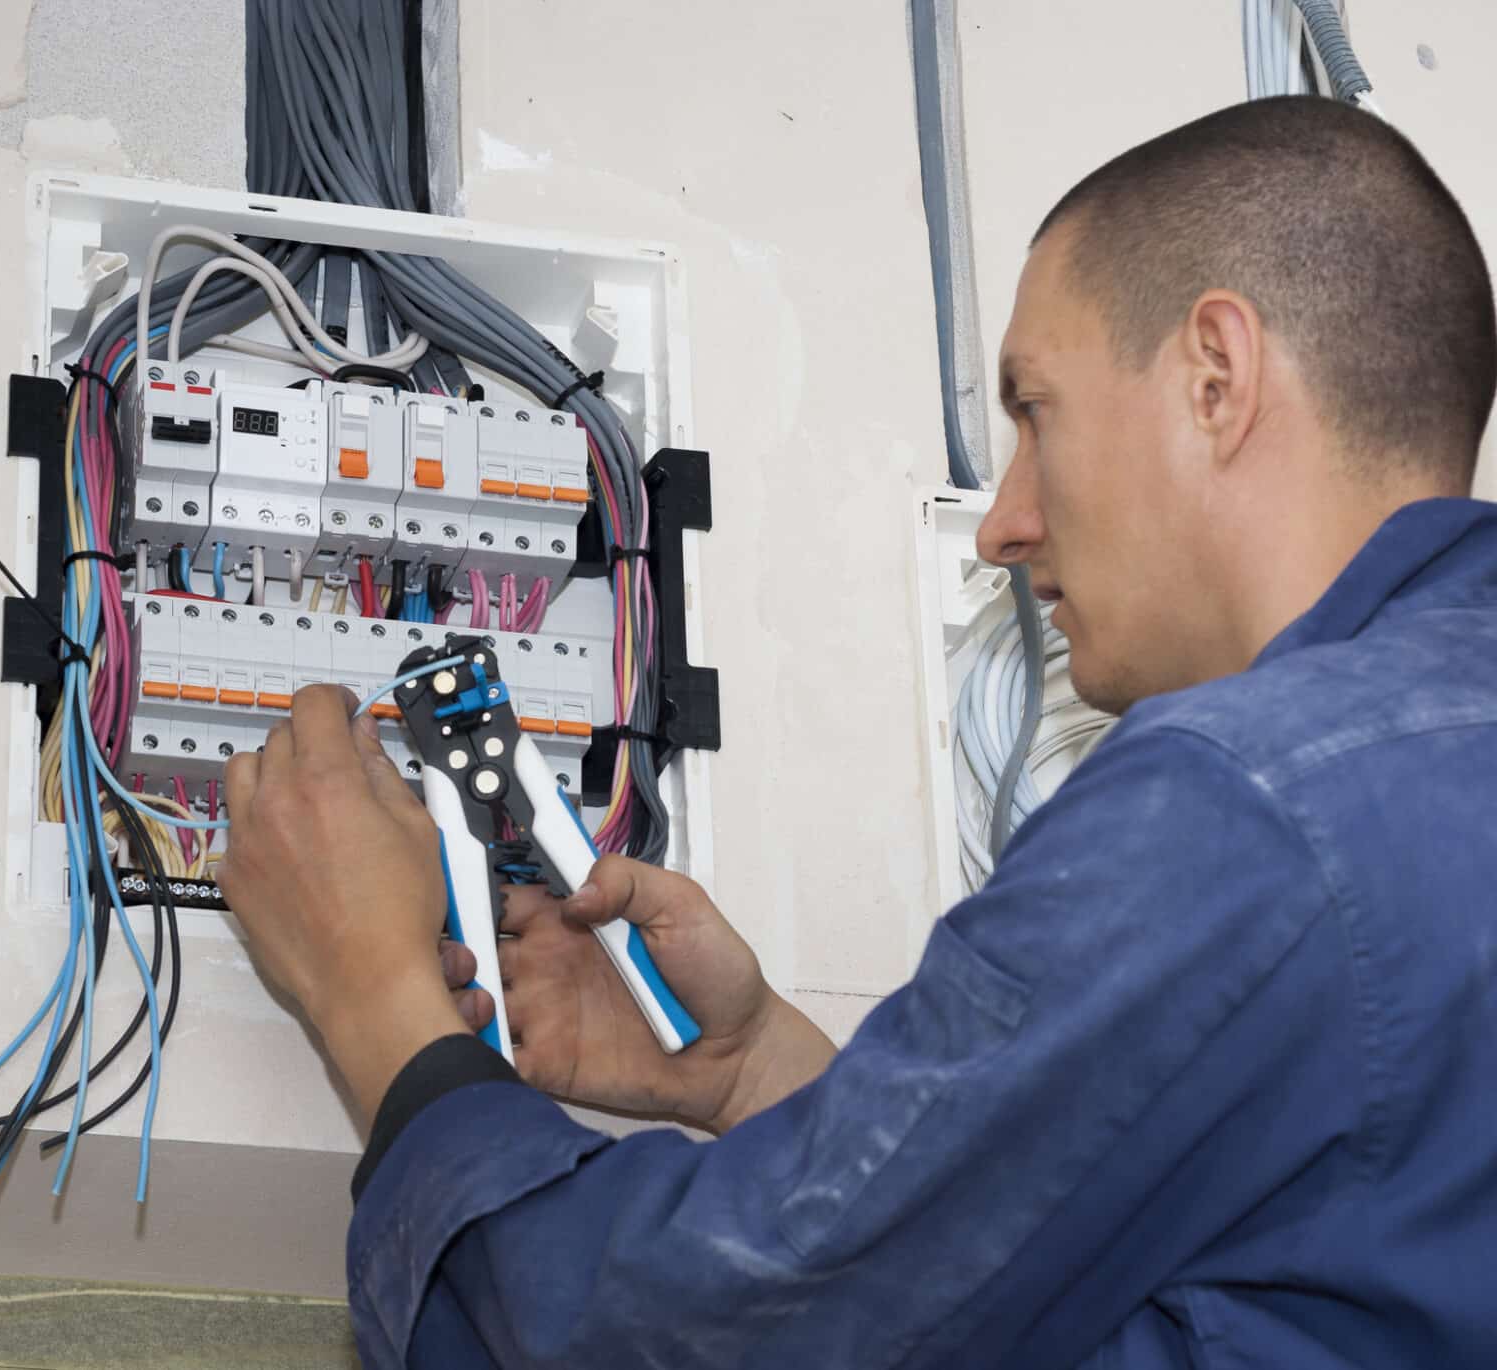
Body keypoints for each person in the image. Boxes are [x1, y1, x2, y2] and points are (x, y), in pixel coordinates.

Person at [217, 96, 1497, 1368]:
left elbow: (683, 1341)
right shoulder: (1412, 786)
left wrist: (374, 999)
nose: (999, 523)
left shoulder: (1244, 802)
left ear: (1214, 376)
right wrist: (758, 1073)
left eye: (1033, 410)